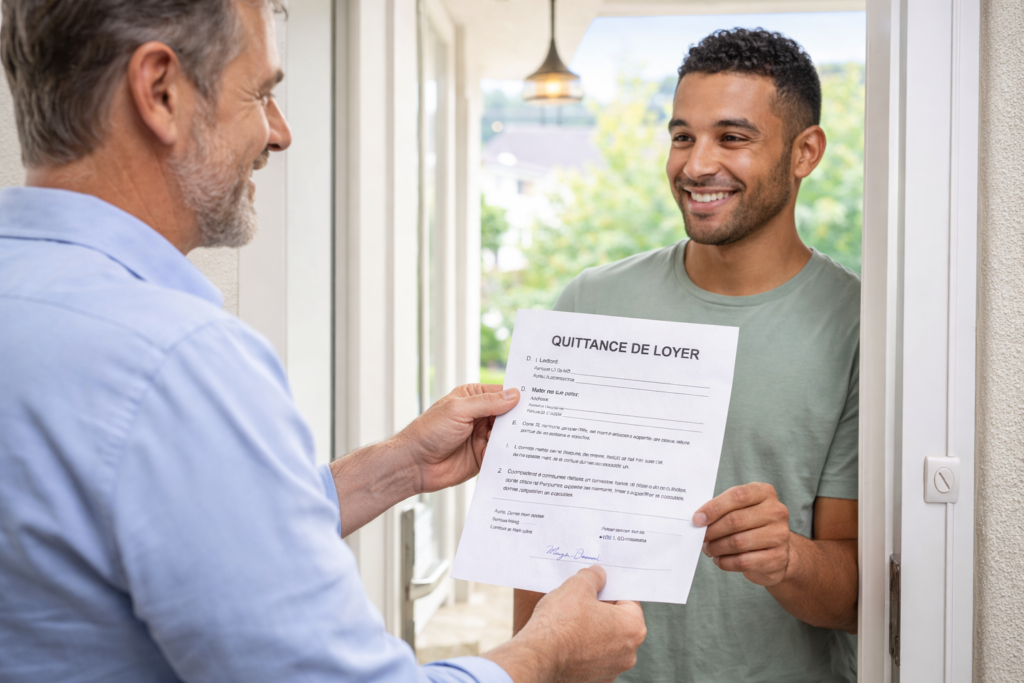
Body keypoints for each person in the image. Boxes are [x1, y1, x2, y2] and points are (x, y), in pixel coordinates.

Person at [0, 1, 646, 681]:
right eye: (263, 92)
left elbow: (183, 530)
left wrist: (397, 466)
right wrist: (544, 655)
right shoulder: (176, 361)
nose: (279, 134)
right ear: (160, 91)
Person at [513, 28, 859, 682]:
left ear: (804, 152)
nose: (697, 165)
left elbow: (856, 596)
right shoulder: (590, 302)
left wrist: (784, 555)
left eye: (732, 137)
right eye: (681, 136)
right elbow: (537, 545)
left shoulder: (856, 326)